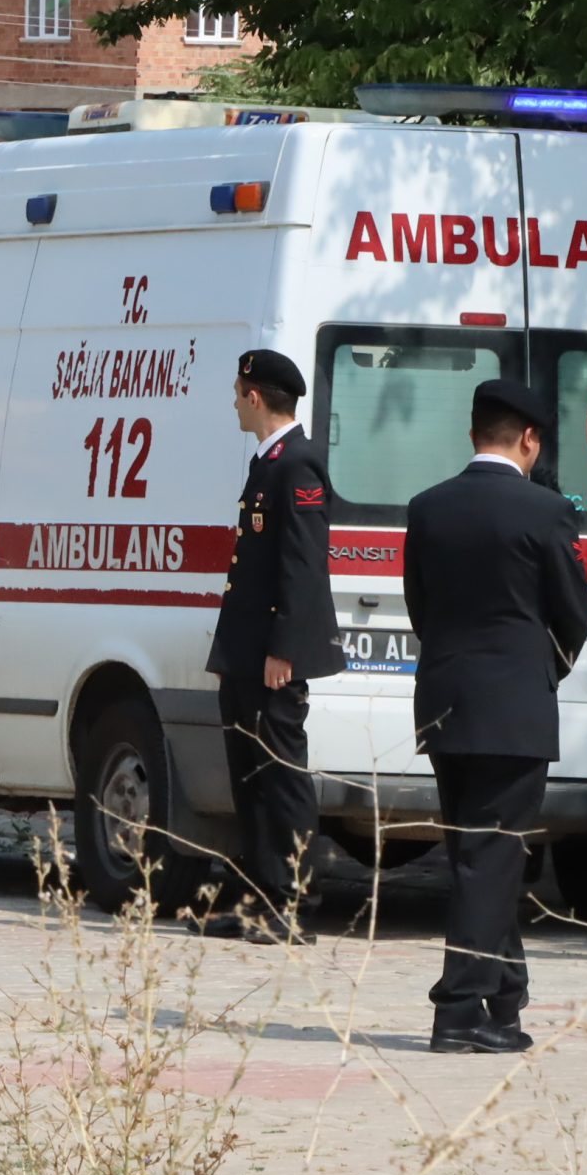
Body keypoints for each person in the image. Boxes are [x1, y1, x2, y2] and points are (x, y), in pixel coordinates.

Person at [403, 379, 587, 1054]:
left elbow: (420, 609)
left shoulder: (428, 507)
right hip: (514, 707)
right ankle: (457, 1011)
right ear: (531, 439)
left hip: (447, 700)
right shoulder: (546, 511)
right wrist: (542, 671)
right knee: (491, 856)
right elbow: (575, 612)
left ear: (473, 433)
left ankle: (504, 1003)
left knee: (481, 855)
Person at [202, 348, 343, 943]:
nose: (234, 402)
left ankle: (288, 898)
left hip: (271, 657)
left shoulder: (297, 464)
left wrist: (284, 647)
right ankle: (257, 897)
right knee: (250, 777)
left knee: (281, 777)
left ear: (255, 396)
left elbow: (303, 566)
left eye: (238, 392)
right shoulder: (269, 461)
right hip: (245, 651)